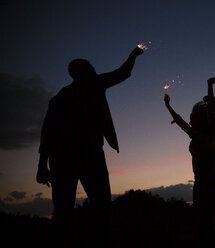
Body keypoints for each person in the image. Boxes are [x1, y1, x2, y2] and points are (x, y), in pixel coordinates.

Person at [36, 46, 143, 246]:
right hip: (88, 155)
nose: (94, 69)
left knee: (62, 210)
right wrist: (132, 55)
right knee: (101, 205)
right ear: (83, 72)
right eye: (91, 67)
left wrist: (42, 165)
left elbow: (47, 134)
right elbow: (123, 73)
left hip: (61, 160)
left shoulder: (59, 98)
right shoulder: (92, 84)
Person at [164, 77, 215, 246]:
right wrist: (168, 106)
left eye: (193, 118)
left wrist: (209, 86)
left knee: (205, 219)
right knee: (202, 220)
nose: (190, 121)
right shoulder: (195, 134)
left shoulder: (208, 134)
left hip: (211, 180)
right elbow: (182, 123)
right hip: (201, 181)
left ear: (201, 120)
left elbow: (211, 111)